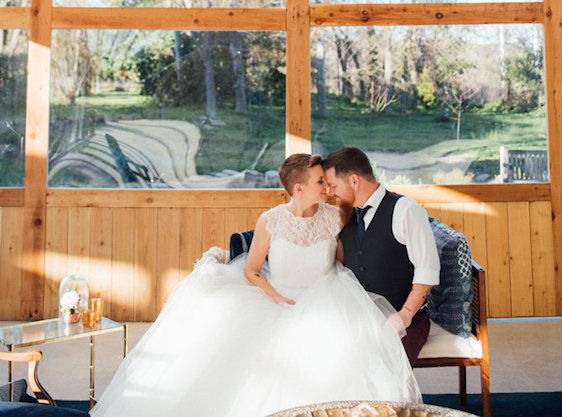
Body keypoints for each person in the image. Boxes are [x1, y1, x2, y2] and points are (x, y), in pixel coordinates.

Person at [92, 153, 421, 417]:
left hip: (326, 296)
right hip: (277, 298)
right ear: (299, 188)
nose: (327, 187)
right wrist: (274, 296)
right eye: (320, 181)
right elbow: (252, 271)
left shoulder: (335, 217)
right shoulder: (271, 220)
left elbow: (344, 261)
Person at [323, 147, 440, 364]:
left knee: (388, 372)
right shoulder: (344, 214)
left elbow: (428, 269)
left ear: (354, 181)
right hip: (359, 317)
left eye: (333, 185)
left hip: (405, 316)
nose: (330, 192)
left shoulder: (406, 210)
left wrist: (404, 315)